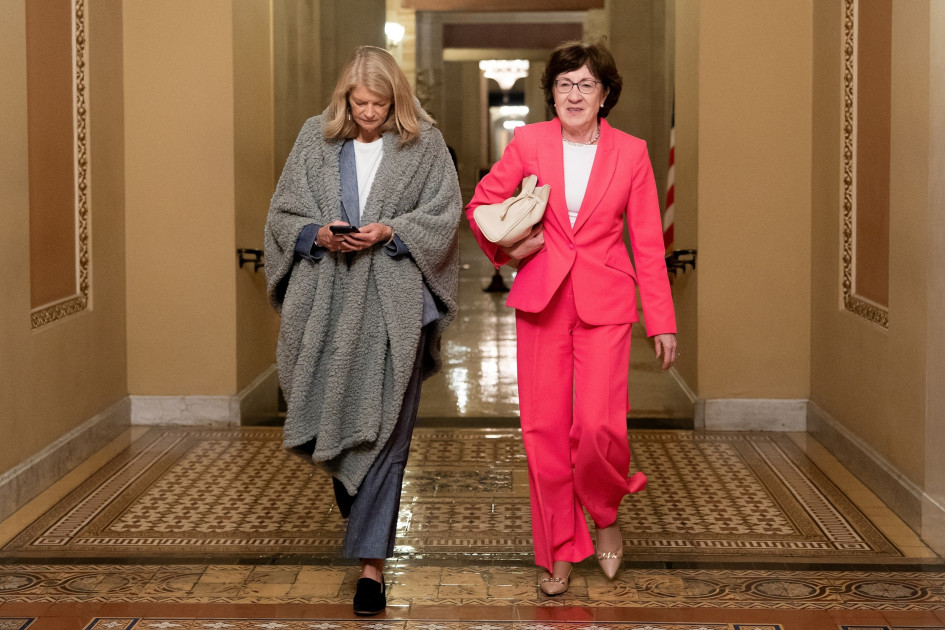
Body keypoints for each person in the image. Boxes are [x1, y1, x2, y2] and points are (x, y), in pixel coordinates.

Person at [466, 41, 678, 596]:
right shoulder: (528, 142)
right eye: (565, 85)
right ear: (551, 93)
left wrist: (661, 318)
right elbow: (481, 207)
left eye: (586, 85)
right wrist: (506, 253)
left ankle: (605, 512)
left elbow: (649, 242)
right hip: (542, 300)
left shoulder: (632, 152)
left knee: (598, 425)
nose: (575, 94)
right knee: (544, 434)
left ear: (605, 94)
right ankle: (559, 549)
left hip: (606, 303)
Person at [264, 46, 461, 615]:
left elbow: (445, 213)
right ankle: (349, 473)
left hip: (398, 307)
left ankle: (371, 570)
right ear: (344, 98)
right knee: (342, 422)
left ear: (395, 98)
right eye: (359, 102)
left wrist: (391, 231)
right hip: (324, 302)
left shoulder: (423, 143)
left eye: (378, 102)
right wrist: (319, 234)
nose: (368, 112)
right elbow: (281, 214)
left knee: (390, 437)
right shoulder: (315, 138)